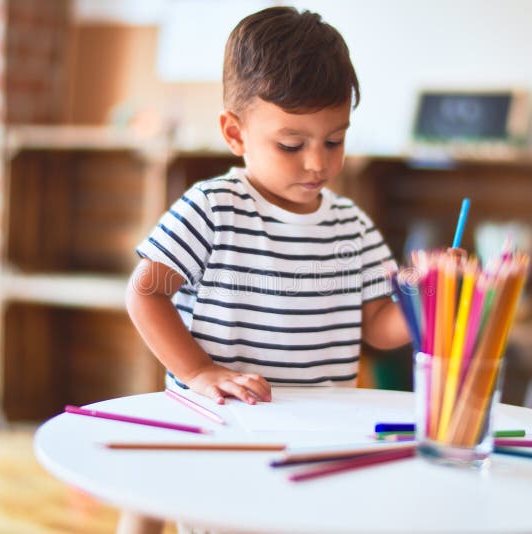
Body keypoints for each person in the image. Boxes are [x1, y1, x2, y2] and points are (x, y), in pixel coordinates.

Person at [126, 6, 410, 409]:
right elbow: (144, 294)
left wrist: (426, 299)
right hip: (220, 420)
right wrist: (198, 372)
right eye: (291, 145)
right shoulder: (212, 208)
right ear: (234, 133)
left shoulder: (353, 226)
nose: (317, 162)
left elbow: (378, 326)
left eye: (334, 141)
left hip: (322, 426)